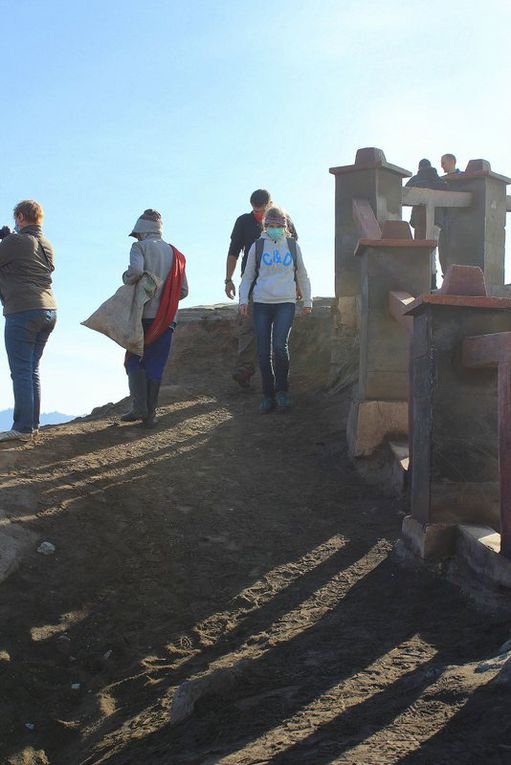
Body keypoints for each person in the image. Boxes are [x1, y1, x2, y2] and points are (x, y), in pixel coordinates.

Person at [239, 206, 311, 413]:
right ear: (265, 225)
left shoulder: (292, 246)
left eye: (279, 226)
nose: (275, 229)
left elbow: (302, 274)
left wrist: (307, 300)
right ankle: (267, 395)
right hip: (261, 302)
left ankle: (282, 392)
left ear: (285, 226)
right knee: (263, 351)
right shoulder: (258, 246)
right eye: (271, 225)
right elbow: (248, 276)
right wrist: (243, 299)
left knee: (280, 346)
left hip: (286, 302)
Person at [121, 209, 188, 427]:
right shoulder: (176, 254)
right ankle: (150, 415)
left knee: (133, 360)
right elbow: (184, 291)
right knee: (155, 364)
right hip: (167, 318)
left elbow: (136, 271)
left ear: (141, 231)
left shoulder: (139, 247)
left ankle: (139, 406)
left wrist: (127, 278)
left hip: (142, 315)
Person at [225, 189, 297, 389]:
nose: (258, 215)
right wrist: (228, 279)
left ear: (269, 204)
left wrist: (298, 285)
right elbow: (233, 251)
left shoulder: (284, 219)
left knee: (279, 337)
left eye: (261, 211)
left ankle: (279, 380)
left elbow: (294, 254)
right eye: (255, 211)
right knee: (248, 326)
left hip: (281, 287)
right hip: (252, 283)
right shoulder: (243, 222)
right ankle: (245, 370)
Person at [0, 200, 57, 442]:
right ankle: (32, 425)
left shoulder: (16, 241)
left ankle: (22, 428)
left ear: (21, 217)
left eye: (16, 218)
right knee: (31, 369)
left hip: (23, 310)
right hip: (48, 311)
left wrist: (5, 240)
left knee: (21, 371)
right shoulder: (46, 244)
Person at [405, 159, 447, 288]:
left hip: (420, 221)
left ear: (419, 168)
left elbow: (403, 192)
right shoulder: (438, 180)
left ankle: (423, 284)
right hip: (436, 221)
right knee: (432, 252)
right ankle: (432, 284)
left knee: (420, 251)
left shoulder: (416, 180)